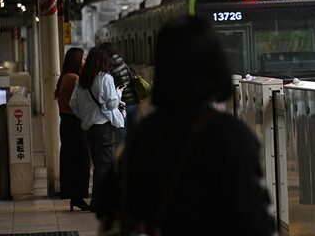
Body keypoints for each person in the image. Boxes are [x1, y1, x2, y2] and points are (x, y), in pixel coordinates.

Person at [96, 16, 276, 235]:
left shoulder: (141, 136)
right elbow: (257, 222)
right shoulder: (232, 136)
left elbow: (107, 206)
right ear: (216, 65)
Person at [70, 47, 125, 212]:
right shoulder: (105, 78)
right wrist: (118, 93)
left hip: (88, 127)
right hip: (102, 126)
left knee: (98, 164)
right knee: (105, 164)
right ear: (103, 61)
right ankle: (99, 201)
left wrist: (85, 117)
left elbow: (73, 103)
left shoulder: (82, 79)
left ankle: (99, 200)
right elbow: (112, 103)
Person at [54, 47, 90, 211]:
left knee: (73, 160)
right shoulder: (73, 78)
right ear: (76, 61)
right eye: (83, 59)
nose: (85, 61)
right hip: (74, 124)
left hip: (68, 123)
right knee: (80, 161)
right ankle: (77, 197)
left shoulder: (67, 77)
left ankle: (76, 197)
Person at [98, 42, 139, 145]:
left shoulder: (108, 66)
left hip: (121, 104)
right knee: (134, 133)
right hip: (133, 101)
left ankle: (122, 159)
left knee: (122, 135)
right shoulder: (122, 61)